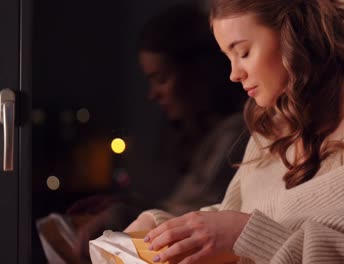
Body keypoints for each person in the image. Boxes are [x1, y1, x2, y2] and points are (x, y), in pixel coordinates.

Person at [122, 0, 344, 263]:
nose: (234, 73)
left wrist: (248, 235)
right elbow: (235, 218)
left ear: (294, 36)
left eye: (243, 52)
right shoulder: (270, 131)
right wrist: (159, 229)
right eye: (228, 57)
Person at [37, 4, 248, 263]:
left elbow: (199, 215)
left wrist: (123, 214)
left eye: (161, 78)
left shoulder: (237, 137)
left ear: (198, 73)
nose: (152, 94)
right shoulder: (180, 138)